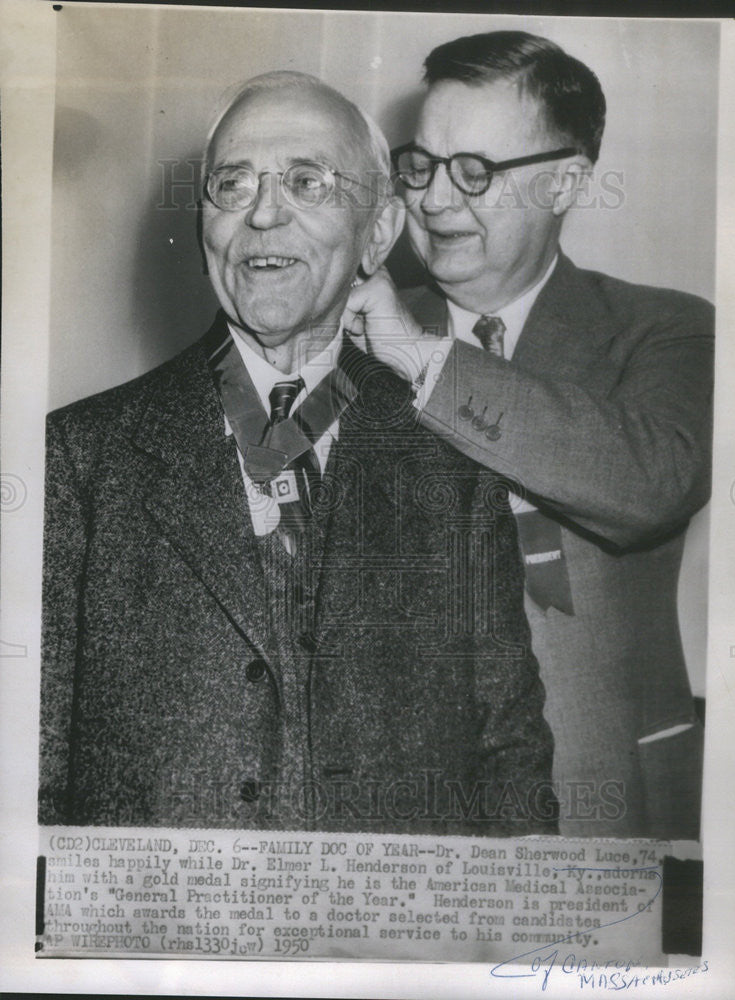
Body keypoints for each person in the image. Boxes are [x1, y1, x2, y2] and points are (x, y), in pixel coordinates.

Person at [38, 71, 556, 835]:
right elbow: (26, 777)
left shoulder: (455, 465)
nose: (264, 215)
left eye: (307, 183)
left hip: (387, 943)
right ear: (204, 221)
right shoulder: (79, 459)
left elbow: (511, 764)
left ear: (378, 233)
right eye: (231, 185)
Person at [345, 32, 713, 838]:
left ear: (565, 181)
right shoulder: (356, 328)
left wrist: (422, 360)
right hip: (404, 798)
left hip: (604, 791)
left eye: (475, 172)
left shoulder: (668, 330)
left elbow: (652, 480)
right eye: (421, 166)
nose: (435, 202)